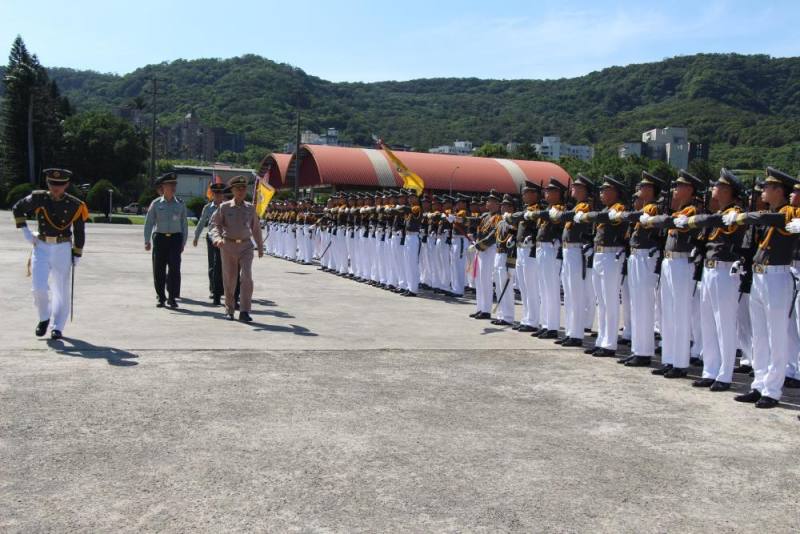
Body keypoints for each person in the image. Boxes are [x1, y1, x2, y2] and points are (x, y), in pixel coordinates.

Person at [732, 167, 800, 408]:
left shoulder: (789, 212)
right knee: (760, 335)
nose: (762, 190)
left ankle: (772, 390)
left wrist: (742, 217)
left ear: (779, 190)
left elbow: (769, 219)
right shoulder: (773, 213)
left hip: (777, 278)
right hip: (760, 277)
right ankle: (759, 384)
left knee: (776, 335)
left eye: (767, 187)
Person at [674, 168, 745, 391]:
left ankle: (725, 375)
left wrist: (691, 221)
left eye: (718, 185)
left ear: (727, 190)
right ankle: (710, 370)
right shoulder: (720, 213)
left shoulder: (734, 213)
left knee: (724, 324)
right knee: (708, 323)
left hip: (725, 271)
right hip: (709, 270)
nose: (714, 188)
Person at [641, 170, 705, 377]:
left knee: (680, 313)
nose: (675, 189)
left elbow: (670, 222)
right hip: (670, 262)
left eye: (679, 186)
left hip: (682, 263)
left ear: (690, 189)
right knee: (667, 312)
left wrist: (655, 220)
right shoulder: (680, 210)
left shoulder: (692, 210)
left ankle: (680, 362)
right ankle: (669, 359)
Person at [12, 168, 89, 339]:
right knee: (38, 287)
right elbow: (17, 208)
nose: (56, 187)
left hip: (62, 247)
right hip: (41, 245)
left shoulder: (75, 204)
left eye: (60, 184)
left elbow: (79, 230)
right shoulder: (39, 198)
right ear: (47, 183)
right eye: (53, 183)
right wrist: (25, 231)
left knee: (60, 289)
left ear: (66, 185)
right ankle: (44, 317)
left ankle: (58, 327)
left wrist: (77, 252)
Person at [612, 172, 664, 366]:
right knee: (636, 304)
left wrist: (621, 215)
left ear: (651, 190)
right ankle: (638, 349)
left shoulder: (652, 208)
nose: (639, 189)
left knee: (644, 305)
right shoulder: (645, 208)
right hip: (636, 256)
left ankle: (644, 351)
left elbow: (638, 217)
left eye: (643, 186)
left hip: (645, 257)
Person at [578, 176, 628, 357]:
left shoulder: (618, 209)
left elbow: (605, 219)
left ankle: (609, 343)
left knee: (610, 301)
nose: (601, 193)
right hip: (600, 255)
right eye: (601, 190)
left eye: (605, 190)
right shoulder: (606, 209)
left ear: (615, 192)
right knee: (601, 301)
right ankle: (602, 339)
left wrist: (586, 216)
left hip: (611, 256)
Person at [209, 175, 264, 322]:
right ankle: (229, 309)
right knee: (230, 279)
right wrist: (217, 238)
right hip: (228, 246)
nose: (241, 191)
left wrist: (260, 246)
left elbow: (256, 228)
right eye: (238, 188)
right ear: (232, 190)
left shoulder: (250, 208)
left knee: (246, 277)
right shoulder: (224, 207)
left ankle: (245, 311)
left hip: (246, 246)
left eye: (243, 188)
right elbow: (214, 225)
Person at [143, 172, 188, 308]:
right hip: (160, 238)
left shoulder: (180, 204)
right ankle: (161, 297)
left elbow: (184, 224)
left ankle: (172, 297)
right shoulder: (156, 203)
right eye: (170, 184)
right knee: (159, 269)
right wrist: (146, 240)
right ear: (163, 186)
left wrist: (183, 242)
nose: (173, 187)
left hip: (175, 239)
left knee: (174, 269)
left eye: (174, 184)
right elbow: (149, 222)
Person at [193, 183, 227, 305]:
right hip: (212, 238)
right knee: (213, 265)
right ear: (212, 195)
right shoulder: (208, 208)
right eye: (216, 193)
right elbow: (202, 222)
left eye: (220, 193)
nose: (218, 196)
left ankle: (224, 289)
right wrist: (196, 237)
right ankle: (213, 289)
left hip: (225, 239)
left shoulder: (228, 206)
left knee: (225, 265)